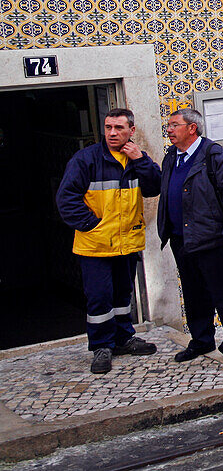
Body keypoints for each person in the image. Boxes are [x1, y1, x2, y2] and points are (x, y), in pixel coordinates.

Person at [55, 108, 161, 374]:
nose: (112, 133)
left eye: (119, 128)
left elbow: (154, 187)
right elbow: (66, 199)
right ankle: (101, 346)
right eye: (108, 127)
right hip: (96, 245)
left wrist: (141, 160)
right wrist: (93, 225)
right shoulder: (86, 159)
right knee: (99, 298)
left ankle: (123, 338)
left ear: (131, 131)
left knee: (122, 297)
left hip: (126, 243)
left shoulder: (136, 158)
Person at [157, 108, 223, 368]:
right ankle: (202, 340)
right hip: (180, 238)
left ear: (192, 128)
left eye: (175, 125)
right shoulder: (171, 157)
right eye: (169, 125)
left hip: (211, 239)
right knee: (193, 293)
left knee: (222, 294)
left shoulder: (214, 155)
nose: (169, 129)